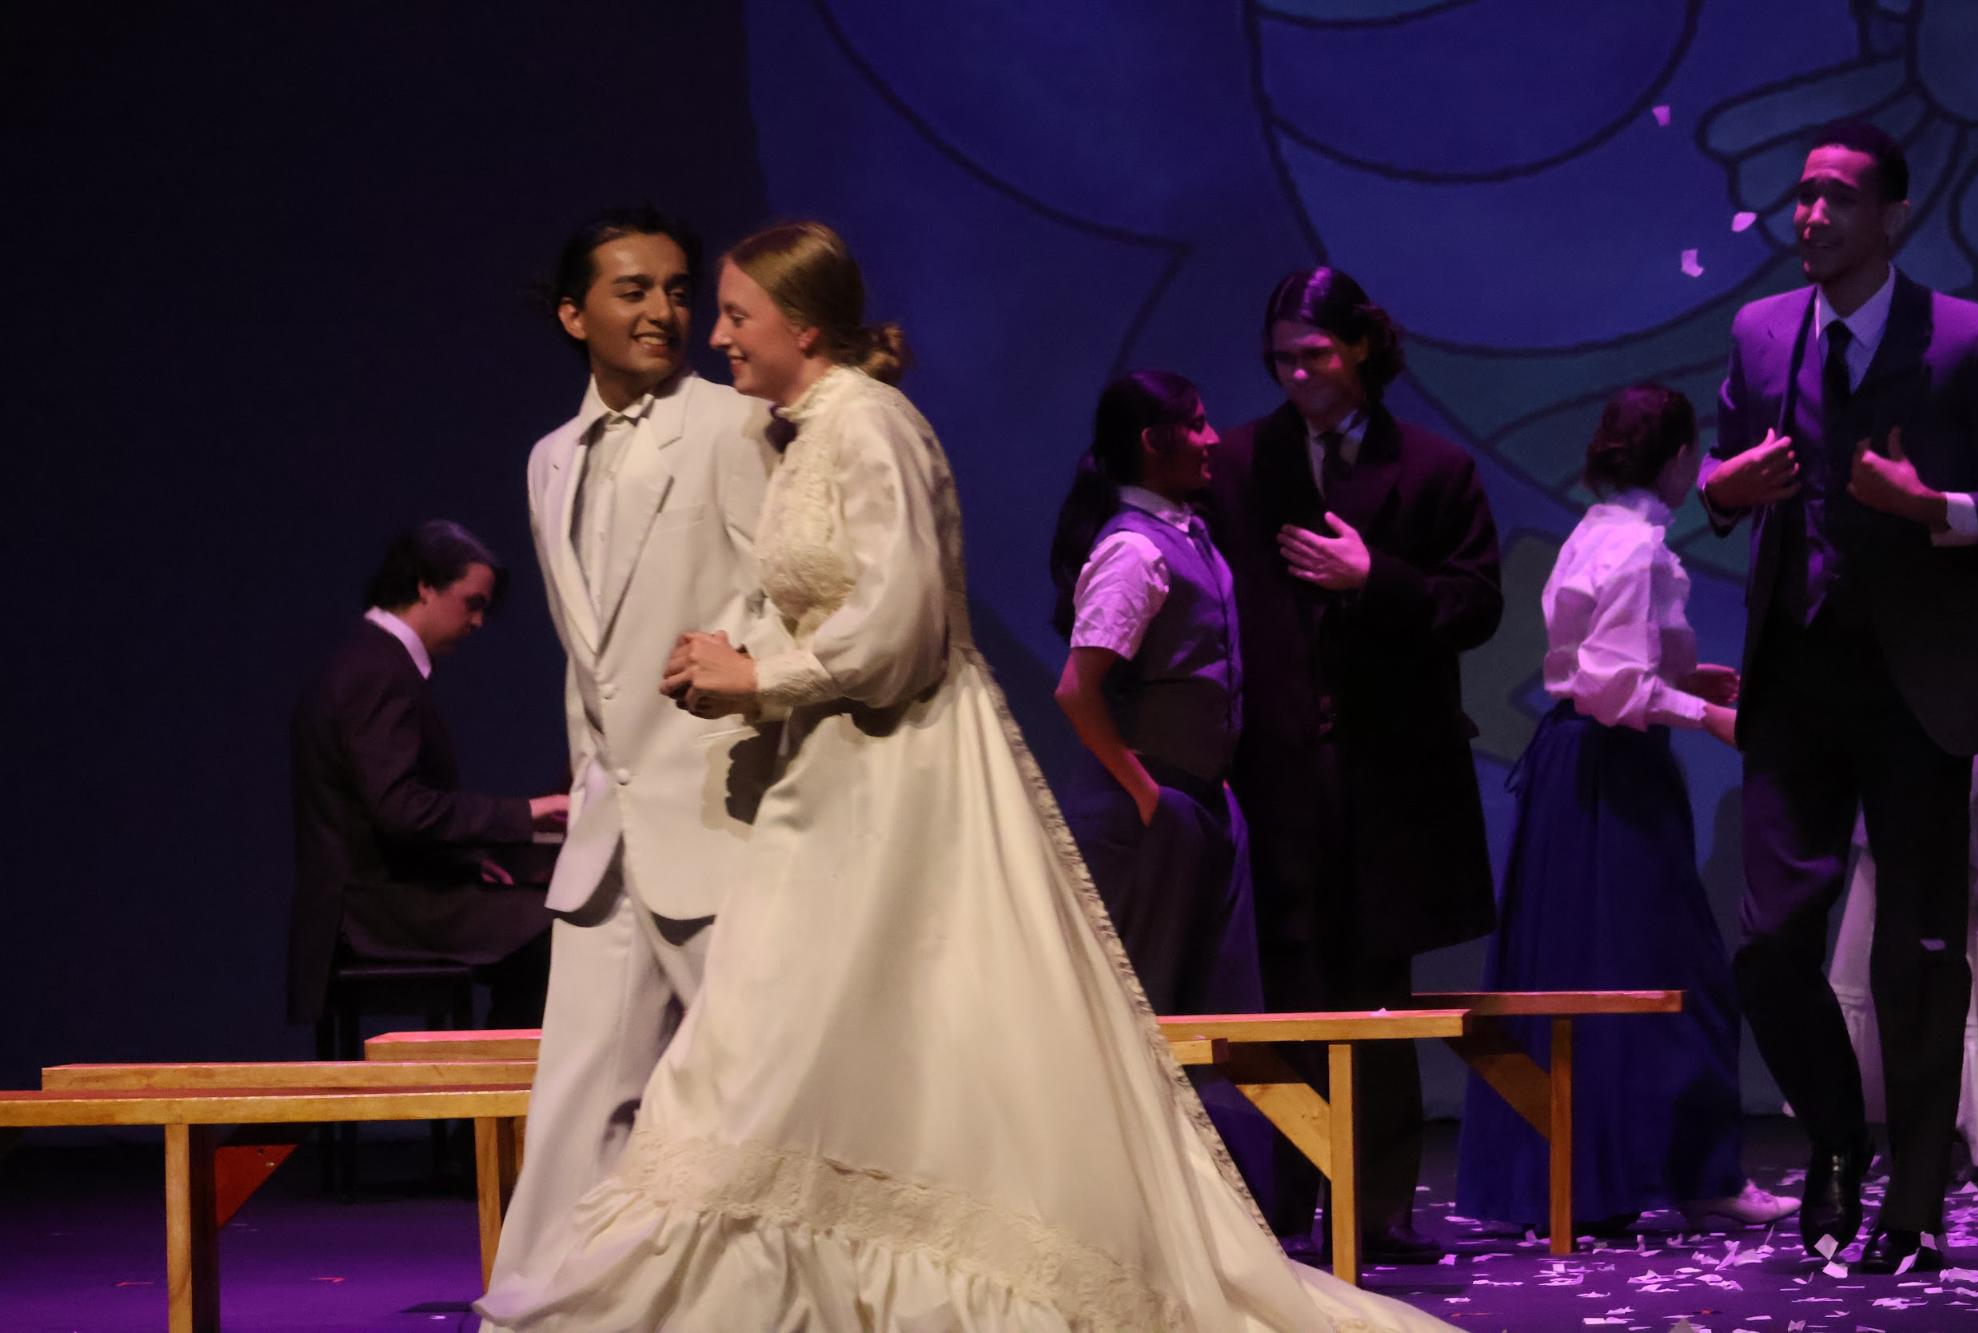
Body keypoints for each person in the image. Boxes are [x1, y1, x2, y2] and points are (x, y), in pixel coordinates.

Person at [478, 221, 1449, 1331]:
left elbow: (896, 624)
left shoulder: (868, 426)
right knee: (775, 1051)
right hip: (823, 771)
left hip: (890, 767)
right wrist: (736, 659)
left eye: (734, 313)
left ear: (802, 325)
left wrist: (757, 678)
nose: (716, 334)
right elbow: (801, 592)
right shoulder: (807, 428)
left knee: (837, 1035)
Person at [1699, 120, 1978, 1272]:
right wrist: (1723, 490)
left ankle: (1911, 1205)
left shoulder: (1966, 341)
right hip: (1797, 664)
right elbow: (1731, 477)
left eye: (1835, 197)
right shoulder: (1759, 331)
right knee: (1771, 940)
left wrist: (1936, 508)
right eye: (1802, 196)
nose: (1809, 215)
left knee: (1916, 952)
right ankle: (1835, 1138)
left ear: (1893, 218)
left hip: (1917, 676)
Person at [485, 208, 784, 1291]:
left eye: (675, 288)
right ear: (575, 314)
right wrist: (584, 780)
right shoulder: (549, 460)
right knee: (574, 1095)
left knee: (752, 1097)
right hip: (610, 829)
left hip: (719, 814)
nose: (662, 309)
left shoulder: (728, 423)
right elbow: (589, 657)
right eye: (631, 290)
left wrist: (742, 669)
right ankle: (534, 1307)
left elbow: (784, 591)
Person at [1205, 266, 1502, 1265]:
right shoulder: (1242, 463)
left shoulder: (1434, 467)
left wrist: (1378, 580)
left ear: (1362, 348)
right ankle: (1288, 1195)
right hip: (1277, 765)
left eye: (1316, 354)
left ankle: (1375, 1204)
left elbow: (1477, 605)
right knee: (1287, 975)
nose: (1297, 374)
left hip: (1388, 775)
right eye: (1282, 357)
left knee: (1377, 985)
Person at [1455, 384, 1798, 1234]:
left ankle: (1586, 1174)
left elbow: (1597, 663)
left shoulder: (1592, 531)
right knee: (1677, 976)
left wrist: (1685, 678)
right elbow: (1613, 687)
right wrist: (1708, 714)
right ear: (1681, 458)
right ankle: (1696, 1172)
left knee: (1580, 970)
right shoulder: (1641, 548)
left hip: (1580, 767)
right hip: (1612, 768)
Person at [1048, 369, 1271, 1199]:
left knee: (1212, 1008)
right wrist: (1144, 790)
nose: (1213, 440)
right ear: (1154, 440)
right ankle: (1114, 1201)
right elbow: (1077, 687)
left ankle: (1206, 1205)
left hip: (1197, 802)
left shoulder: (1186, 534)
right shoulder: (1134, 547)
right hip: (1144, 812)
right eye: (1199, 424)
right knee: (1139, 1012)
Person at [287, 520, 566, 1031]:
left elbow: (382, 809)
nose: (479, 622)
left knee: (540, 919)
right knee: (553, 929)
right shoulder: (377, 671)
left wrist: (463, 861)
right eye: (472, 603)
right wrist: (527, 813)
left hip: (382, 894)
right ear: (424, 586)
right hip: (369, 909)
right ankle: (493, 1106)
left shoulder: (373, 662)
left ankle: (493, 1104)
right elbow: (401, 808)